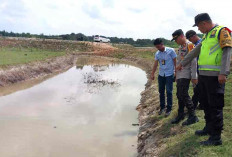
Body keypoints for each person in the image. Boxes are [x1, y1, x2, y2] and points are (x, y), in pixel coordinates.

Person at [177, 13, 232, 146]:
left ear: (204, 23)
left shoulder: (222, 31)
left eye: (199, 27)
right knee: (206, 104)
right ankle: (208, 128)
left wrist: (223, 73)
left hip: (215, 77)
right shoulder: (206, 35)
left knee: (215, 106)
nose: (199, 30)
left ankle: (216, 137)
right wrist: (182, 63)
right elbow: (195, 51)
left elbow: (227, 51)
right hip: (203, 76)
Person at [170, 29, 199, 126]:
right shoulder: (180, 46)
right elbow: (179, 62)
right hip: (180, 75)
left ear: (181, 36)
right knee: (179, 95)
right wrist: (176, 73)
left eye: (176, 39)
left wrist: (194, 76)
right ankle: (181, 114)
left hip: (186, 74)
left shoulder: (189, 45)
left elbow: (194, 61)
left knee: (184, 94)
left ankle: (193, 116)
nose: (175, 41)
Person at [151, 38, 177, 117]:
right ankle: (162, 107)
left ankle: (169, 109)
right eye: (156, 47)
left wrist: (176, 72)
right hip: (161, 75)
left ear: (162, 44)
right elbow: (155, 64)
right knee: (161, 91)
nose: (158, 48)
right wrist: (152, 73)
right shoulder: (157, 53)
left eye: (159, 46)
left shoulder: (171, 51)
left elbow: (175, 62)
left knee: (169, 91)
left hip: (169, 74)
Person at [186, 30, 203, 110]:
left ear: (193, 36)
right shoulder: (193, 45)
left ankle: (193, 105)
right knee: (199, 88)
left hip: (202, 68)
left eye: (190, 39)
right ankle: (201, 104)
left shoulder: (201, 43)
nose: (190, 41)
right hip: (197, 68)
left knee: (198, 89)